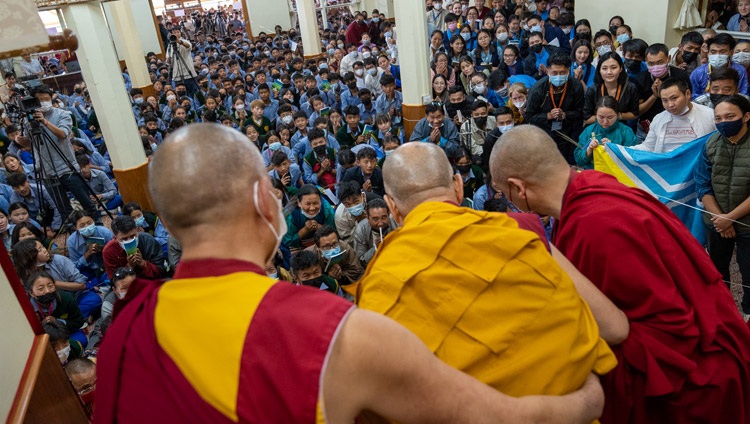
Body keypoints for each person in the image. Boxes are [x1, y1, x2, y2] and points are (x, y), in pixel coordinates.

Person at [94, 123, 608, 424]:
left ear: (164, 223)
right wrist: (589, 399)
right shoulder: (334, 332)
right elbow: (498, 419)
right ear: (262, 200)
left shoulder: (126, 329)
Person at [491, 124, 750, 424]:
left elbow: (651, 330)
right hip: (715, 345)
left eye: (504, 194)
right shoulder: (590, 188)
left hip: (694, 383)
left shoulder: (595, 224)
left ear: (517, 189)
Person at [355, 141, 623, 406]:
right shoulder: (519, 231)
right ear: (458, 186)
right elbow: (616, 328)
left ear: (392, 207)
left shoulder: (380, 279)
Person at [696, 95, 750, 316]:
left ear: (746, 116)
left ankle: (747, 315)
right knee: (717, 273)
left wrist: (731, 218)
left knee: (748, 274)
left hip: (746, 225)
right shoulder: (710, 144)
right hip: (716, 222)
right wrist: (720, 219)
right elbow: (703, 185)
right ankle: (724, 315)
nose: (723, 122)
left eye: (730, 116)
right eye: (718, 118)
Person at [14, 85, 99, 223]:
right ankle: (74, 230)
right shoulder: (28, 119)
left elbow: (63, 135)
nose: (43, 102)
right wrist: (23, 142)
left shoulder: (62, 114)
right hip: (46, 171)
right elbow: (32, 145)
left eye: (46, 99)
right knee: (63, 208)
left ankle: (97, 224)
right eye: (40, 100)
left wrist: (44, 122)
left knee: (86, 202)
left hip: (67, 167)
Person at [526, 53, 584, 164]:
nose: (558, 76)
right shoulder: (537, 89)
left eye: (562, 73)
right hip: (544, 132)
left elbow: (580, 113)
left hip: (568, 131)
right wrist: (548, 115)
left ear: (569, 70)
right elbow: (529, 116)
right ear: (547, 71)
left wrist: (565, 115)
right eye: (554, 73)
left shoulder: (576, 86)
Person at [631, 78, 716, 153]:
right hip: (666, 168)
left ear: (688, 94)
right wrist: (621, 151)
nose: (670, 104)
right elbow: (647, 147)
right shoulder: (658, 119)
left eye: (674, 98)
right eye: (665, 100)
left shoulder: (710, 115)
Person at [634, 43, 692, 140]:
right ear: (646, 62)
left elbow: (688, 103)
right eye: (651, 64)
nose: (656, 67)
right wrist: (654, 96)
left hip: (676, 129)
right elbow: (637, 111)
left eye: (660, 62)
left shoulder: (680, 76)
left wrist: (664, 94)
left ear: (668, 59)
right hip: (646, 130)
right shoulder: (641, 78)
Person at [23, 270, 87, 348]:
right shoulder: (26, 309)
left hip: (67, 333)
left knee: (81, 341)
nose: (47, 291)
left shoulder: (66, 299)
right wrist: (41, 326)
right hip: (44, 340)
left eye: (50, 286)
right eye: (41, 289)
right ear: (31, 293)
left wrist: (59, 322)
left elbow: (79, 322)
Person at [575, 96, 637, 169]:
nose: (605, 122)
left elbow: (633, 159)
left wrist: (614, 149)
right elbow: (578, 160)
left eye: (610, 117)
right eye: (601, 117)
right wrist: (589, 150)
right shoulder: (589, 131)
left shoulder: (626, 132)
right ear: (596, 115)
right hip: (593, 174)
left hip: (618, 175)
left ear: (618, 115)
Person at [102, 215, 168, 280]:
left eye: (132, 236)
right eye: (124, 239)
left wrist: (143, 263)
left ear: (137, 231)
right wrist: (129, 267)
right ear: (115, 238)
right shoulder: (109, 251)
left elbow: (160, 271)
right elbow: (115, 281)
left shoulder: (147, 240)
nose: (130, 241)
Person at [582, 52, 639, 125]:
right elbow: (587, 119)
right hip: (598, 129)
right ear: (599, 70)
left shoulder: (630, 88)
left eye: (613, 67)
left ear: (621, 68)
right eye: (604, 68)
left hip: (620, 128)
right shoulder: (593, 90)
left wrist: (618, 116)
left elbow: (635, 114)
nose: (609, 72)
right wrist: (603, 117)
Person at [690, 33, 749, 100]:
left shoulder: (739, 71)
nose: (717, 55)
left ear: (731, 53)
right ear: (708, 53)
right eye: (713, 52)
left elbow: (743, 95)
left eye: (722, 52)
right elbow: (692, 96)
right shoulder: (698, 73)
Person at [353, 198, 397, 266]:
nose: (380, 223)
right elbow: (361, 261)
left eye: (384, 217)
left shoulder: (396, 222)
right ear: (367, 217)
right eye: (375, 219)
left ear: (389, 214)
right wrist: (376, 249)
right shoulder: (361, 230)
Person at [166, 27, 199, 95]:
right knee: (182, 95)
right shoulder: (170, 46)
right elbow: (168, 61)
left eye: (177, 32)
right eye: (174, 33)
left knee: (195, 93)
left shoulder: (185, 41)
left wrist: (179, 41)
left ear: (180, 33)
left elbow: (189, 46)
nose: (176, 34)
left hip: (188, 73)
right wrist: (169, 59)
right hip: (177, 76)